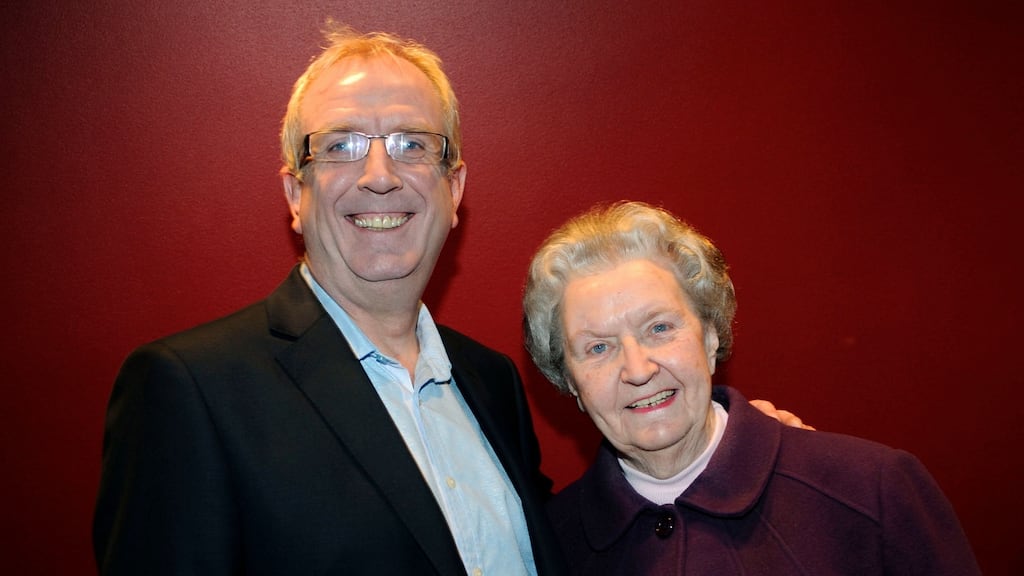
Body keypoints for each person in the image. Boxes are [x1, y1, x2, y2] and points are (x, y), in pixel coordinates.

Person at [93, 25, 805, 576]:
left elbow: (580, 534)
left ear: (454, 188)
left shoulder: (490, 382)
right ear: (294, 193)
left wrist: (708, 452)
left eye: (411, 144)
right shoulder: (191, 390)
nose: (379, 175)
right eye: (340, 145)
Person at [523, 201, 980, 575]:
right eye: (599, 348)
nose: (638, 369)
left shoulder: (872, 492)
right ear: (570, 381)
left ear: (709, 335)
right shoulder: (551, 546)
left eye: (659, 328)